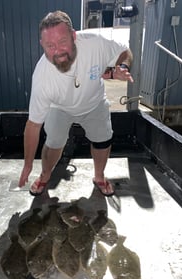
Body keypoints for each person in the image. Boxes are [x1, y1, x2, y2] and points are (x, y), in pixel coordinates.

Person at [18, 10, 133, 197]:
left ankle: (99, 176)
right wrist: (27, 164)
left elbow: (124, 51)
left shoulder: (94, 44)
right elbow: (33, 126)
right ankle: (44, 176)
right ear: (42, 45)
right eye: (50, 45)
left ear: (73, 36)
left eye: (63, 42)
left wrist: (122, 67)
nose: (58, 51)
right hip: (60, 107)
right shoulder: (42, 77)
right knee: (54, 142)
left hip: (94, 102)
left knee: (103, 140)